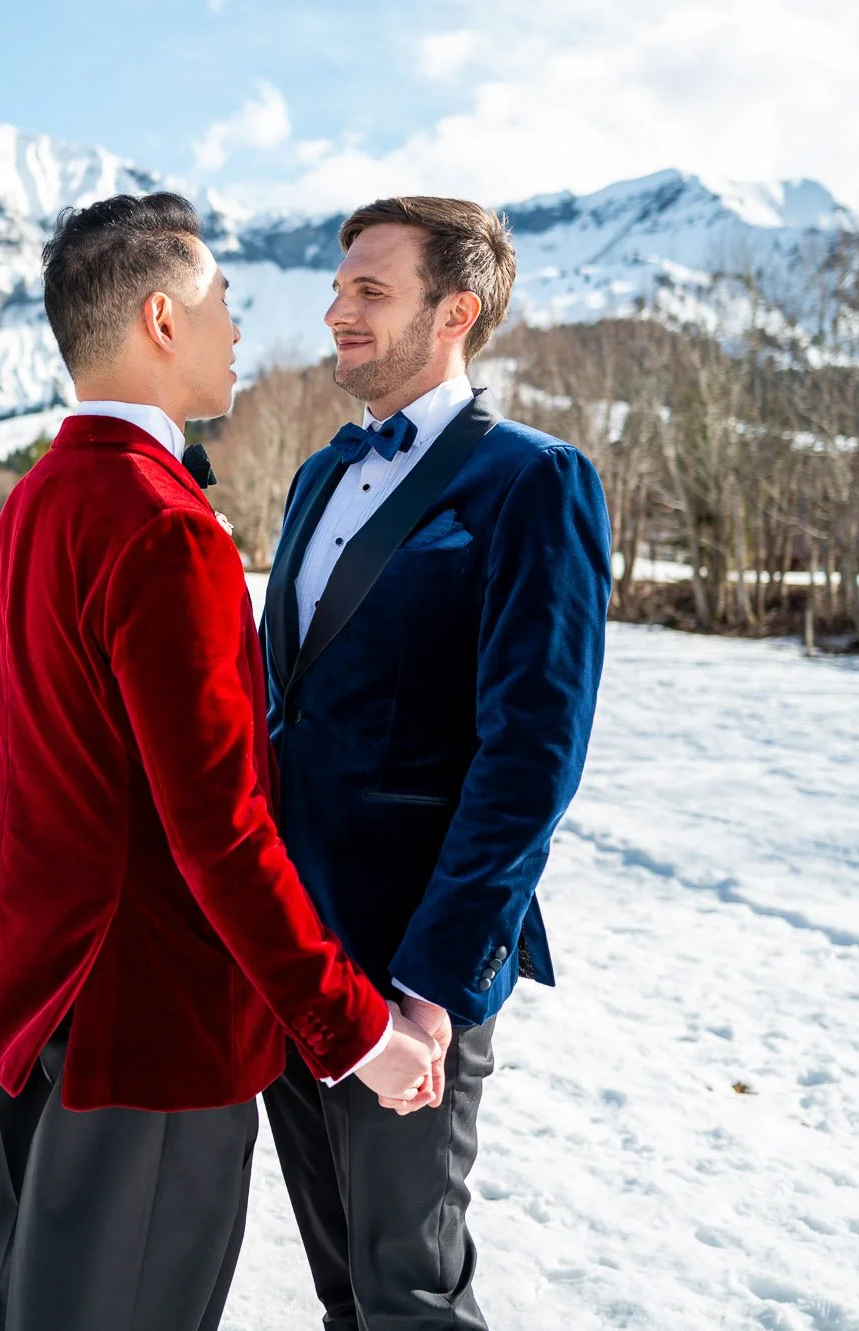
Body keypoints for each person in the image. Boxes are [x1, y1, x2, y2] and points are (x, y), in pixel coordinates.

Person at [0, 191, 440, 1331]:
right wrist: (357, 1031)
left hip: (38, 1011)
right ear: (163, 320)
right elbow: (216, 830)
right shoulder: (162, 527)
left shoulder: (33, 504)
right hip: (147, 1039)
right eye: (223, 303)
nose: (238, 329)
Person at [259, 197, 612, 1329]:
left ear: (452, 312)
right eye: (336, 285)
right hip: (293, 956)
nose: (335, 310)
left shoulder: (531, 482)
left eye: (369, 289)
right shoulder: (318, 476)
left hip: (409, 963)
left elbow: (530, 757)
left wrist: (430, 994)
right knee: (340, 1286)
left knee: (410, 1290)